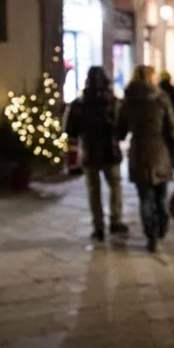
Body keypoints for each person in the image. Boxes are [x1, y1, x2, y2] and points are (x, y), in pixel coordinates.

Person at [118, 65, 174, 253]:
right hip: (160, 151)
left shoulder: (128, 100)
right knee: (161, 196)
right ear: (151, 78)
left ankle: (151, 235)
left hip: (139, 152)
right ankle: (162, 226)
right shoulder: (161, 98)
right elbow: (172, 128)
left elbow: (120, 131)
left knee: (145, 198)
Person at [64, 66, 127, 242]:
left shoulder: (80, 103)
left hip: (90, 151)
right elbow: (121, 127)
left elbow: (70, 130)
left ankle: (98, 226)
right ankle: (115, 220)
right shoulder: (113, 102)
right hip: (110, 151)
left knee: (94, 191)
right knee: (115, 186)